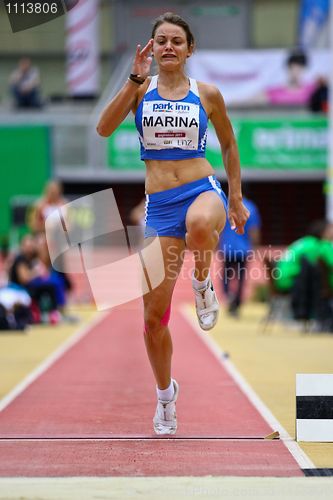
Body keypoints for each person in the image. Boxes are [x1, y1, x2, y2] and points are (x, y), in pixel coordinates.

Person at [96, 12, 249, 435]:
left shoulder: (208, 94)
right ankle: (166, 397)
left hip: (201, 189)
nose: (168, 47)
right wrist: (132, 77)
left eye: (176, 41)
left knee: (201, 223)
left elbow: (230, 144)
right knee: (152, 318)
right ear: (150, 48)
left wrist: (234, 197)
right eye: (160, 40)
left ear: (189, 49)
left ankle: (202, 284)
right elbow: (104, 128)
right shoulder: (139, 90)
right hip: (160, 207)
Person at [219, 194, 261, 317]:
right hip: (243, 249)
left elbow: (219, 227)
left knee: (226, 276)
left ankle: (228, 295)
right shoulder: (251, 208)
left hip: (227, 247)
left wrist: (217, 244)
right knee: (241, 278)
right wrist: (255, 247)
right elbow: (254, 230)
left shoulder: (226, 206)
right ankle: (236, 303)